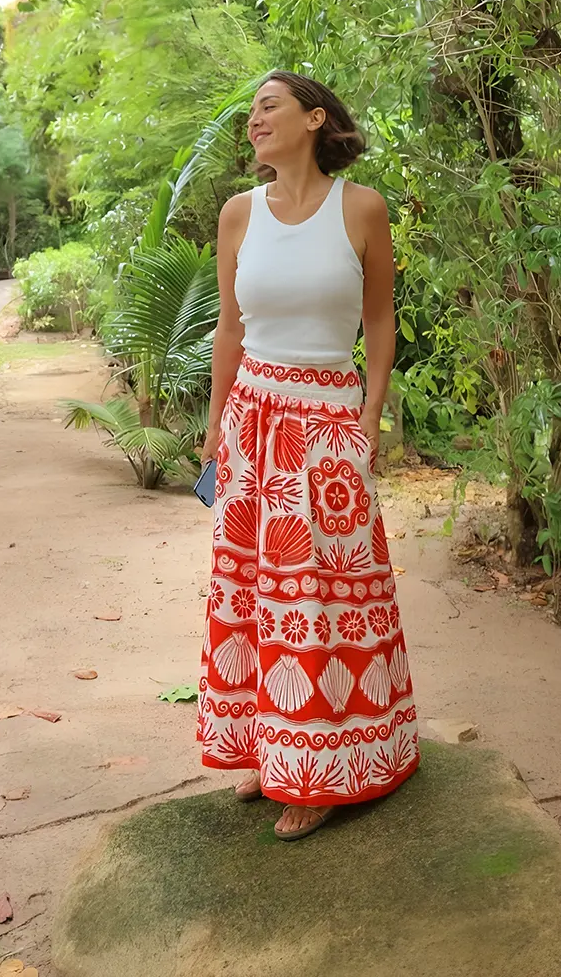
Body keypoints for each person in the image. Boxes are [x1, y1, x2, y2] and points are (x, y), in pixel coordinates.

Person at [196, 70, 419, 841]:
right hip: (253, 423)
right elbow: (230, 329)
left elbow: (381, 324)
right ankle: (276, 746)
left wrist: (369, 418)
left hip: (325, 422)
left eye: (268, 106)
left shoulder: (362, 209)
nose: (254, 119)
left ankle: (327, 770)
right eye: (250, 109)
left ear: (313, 119)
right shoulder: (237, 214)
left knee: (324, 597)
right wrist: (216, 424)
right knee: (261, 593)